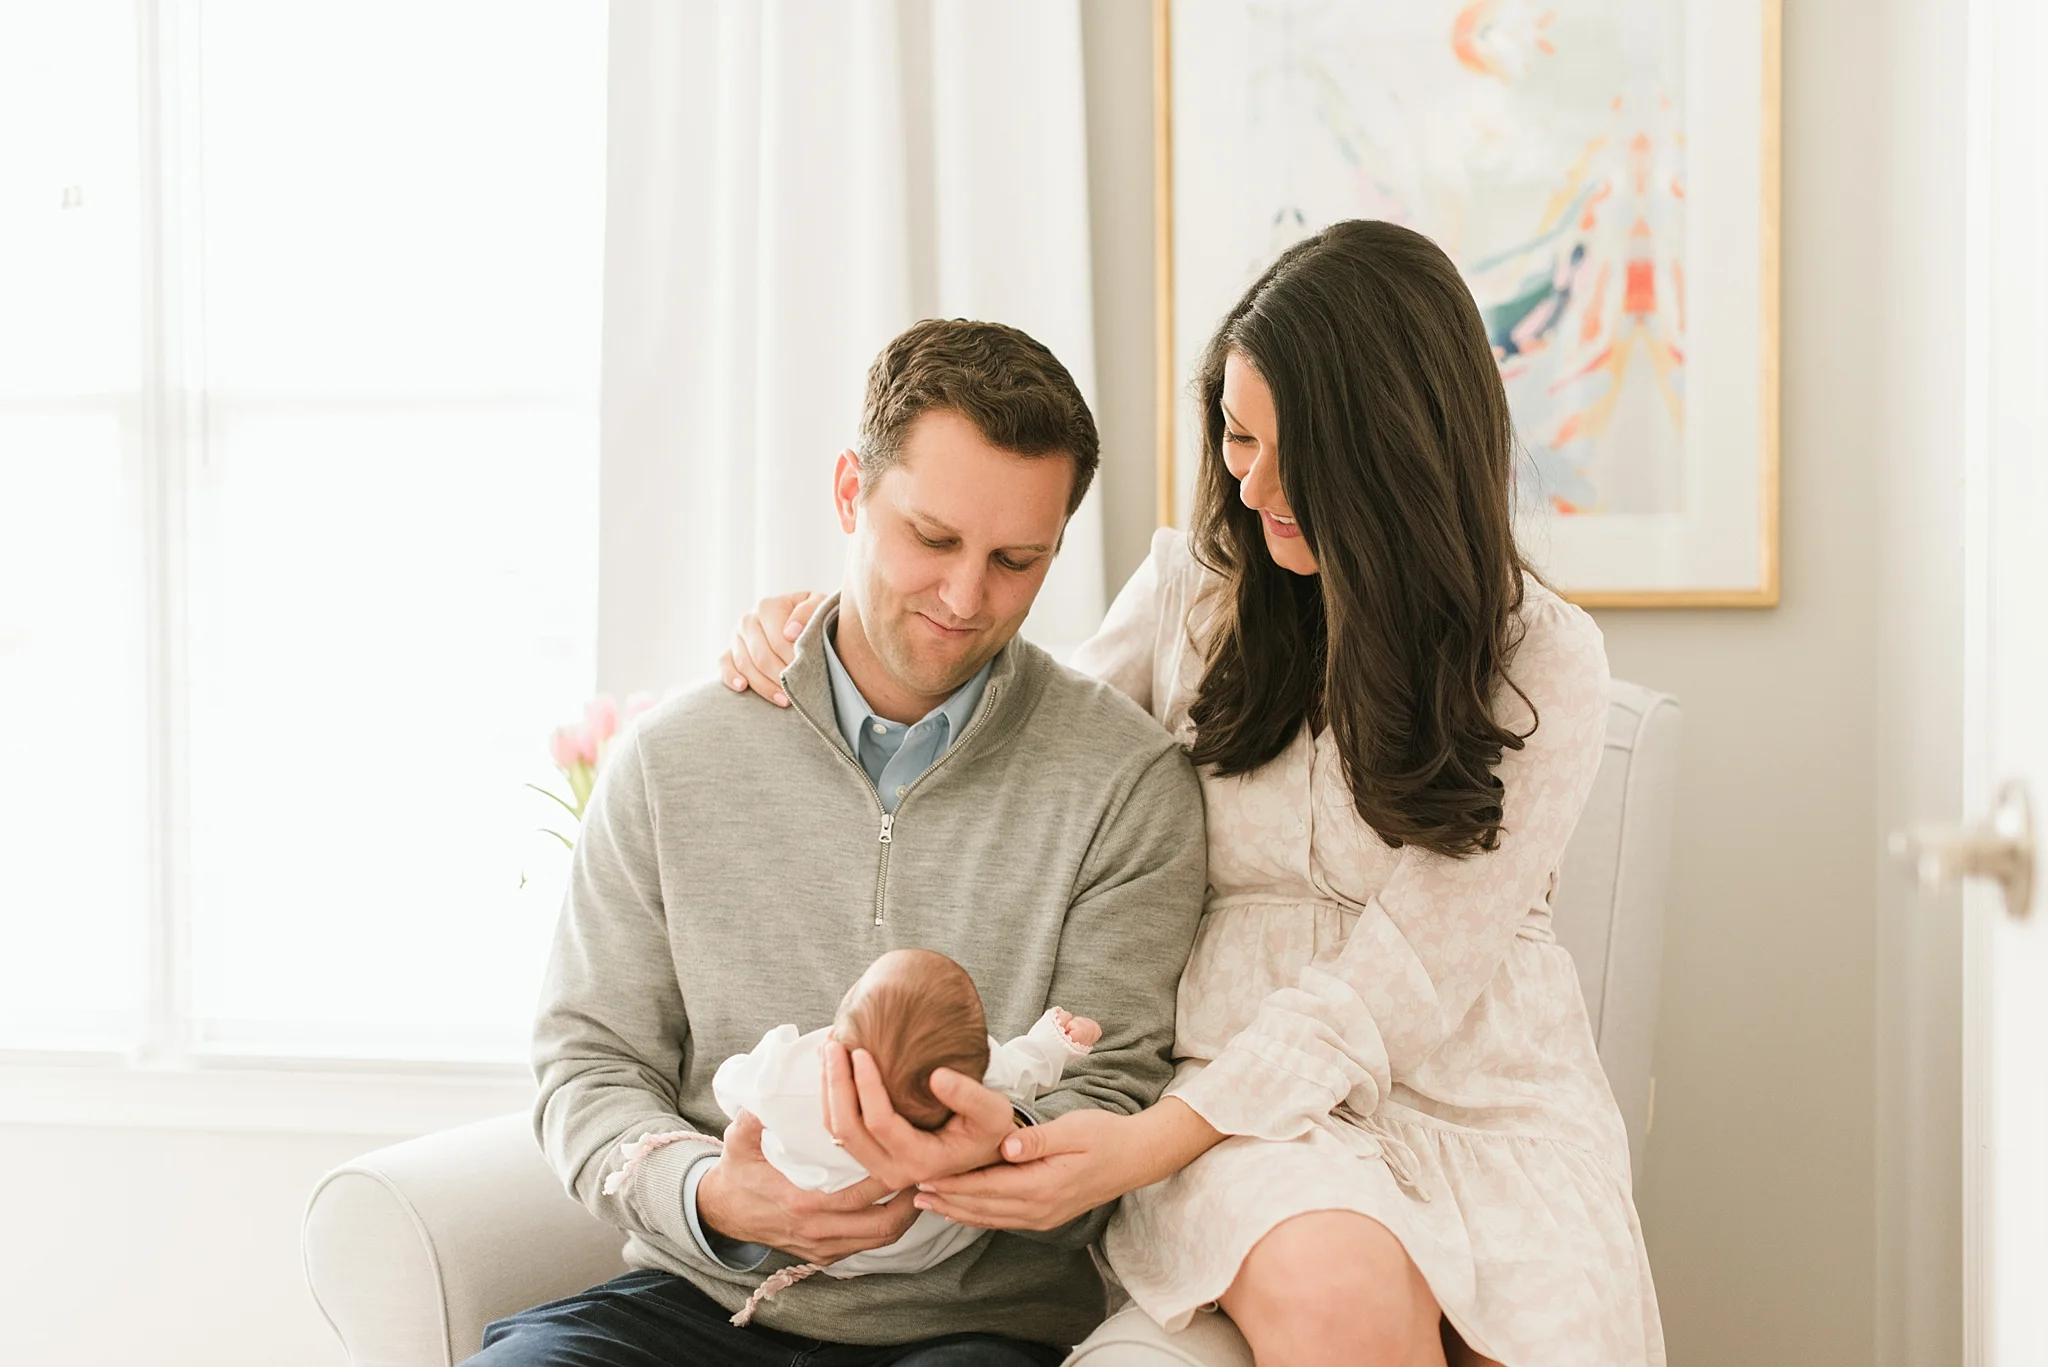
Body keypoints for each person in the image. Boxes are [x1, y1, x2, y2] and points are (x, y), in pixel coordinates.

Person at [722, 220, 1666, 1367]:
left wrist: (1143, 1142)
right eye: (1234, 435)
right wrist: (826, 637)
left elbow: (1410, 967)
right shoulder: (1190, 598)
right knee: (1341, 1297)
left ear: (1391, 447)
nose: (1250, 480)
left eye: (1288, 448)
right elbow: (1014, 741)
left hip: (1481, 1093)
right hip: (1242, 1106)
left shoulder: (1541, 655)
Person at [471, 318, 1208, 1366]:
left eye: (1015, 560)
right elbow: (589, 1060)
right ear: (849, 492)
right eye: (932, 539)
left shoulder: (1125, 786)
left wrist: (988, 1146)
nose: (965, 598)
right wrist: (710, 1189)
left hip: (974, 1325)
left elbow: (1112, 1091)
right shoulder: (671, 760)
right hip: (700, 1302)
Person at [692, 949, 1102, 1326]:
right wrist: (1057, 1040)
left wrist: (756, 1066)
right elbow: (1023, 1066)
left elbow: (730, 1082)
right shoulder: (972, 1080)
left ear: (836, 1032)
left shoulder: (785, 1078)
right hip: (927, 1250)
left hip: (799, 1227)